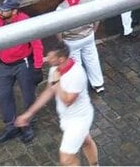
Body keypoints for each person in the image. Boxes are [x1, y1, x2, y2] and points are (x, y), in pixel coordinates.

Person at [14, 38, 98, 167]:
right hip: (67, 118)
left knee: (66, 159)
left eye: (50, 57)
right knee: (85, 141)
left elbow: (68, 101)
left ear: (61, 59)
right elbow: (49, 91)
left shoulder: (76, 74)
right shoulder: (55, 69)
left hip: (79, 119)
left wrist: (58, 83)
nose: (47, 59)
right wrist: (28, 114)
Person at [0, 0, 44, 144]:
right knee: (3, 95)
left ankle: (27, 123)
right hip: (4, 65)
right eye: (0, 9)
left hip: (23, 64)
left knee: (28, 95)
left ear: (14, 11)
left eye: (4, 11)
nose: (0, 13)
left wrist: (37, 67)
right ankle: (10, 126)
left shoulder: (25, 21)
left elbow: (37, 44)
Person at [55, 0, 104, 94]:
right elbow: (97, 17)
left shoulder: (61, 7)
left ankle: (80, 88)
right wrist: (94, 29)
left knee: (76, 65)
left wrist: (61, 41)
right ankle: (98, 84)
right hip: (88, 35)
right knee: (92, 59)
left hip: (71, 40)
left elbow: (58, 29)